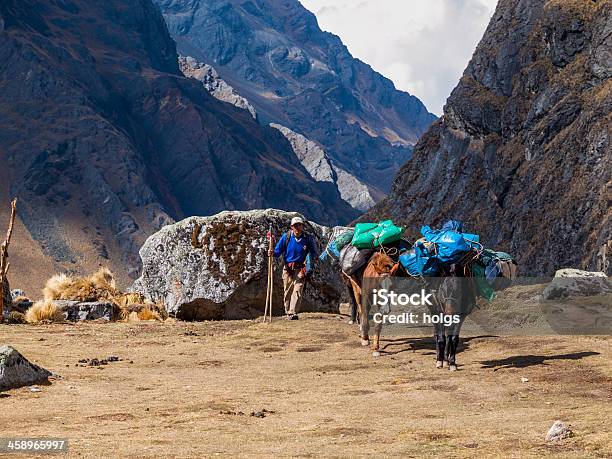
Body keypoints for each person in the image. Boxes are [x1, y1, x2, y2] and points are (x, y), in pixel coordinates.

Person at [269, 216, 317, 320]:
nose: (298, 227)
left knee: (298, 290)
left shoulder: (307, 238)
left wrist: (309, 264)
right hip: (288, 268)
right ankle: (287, 311)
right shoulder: (286, 237)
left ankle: (292, 312)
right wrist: (272, 253)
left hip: (301, 269)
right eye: (296, 225)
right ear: (292, 227)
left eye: (300, 225)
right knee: (287, 290)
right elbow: (278, 251)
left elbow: (313, 253)